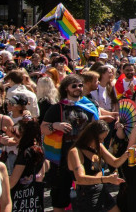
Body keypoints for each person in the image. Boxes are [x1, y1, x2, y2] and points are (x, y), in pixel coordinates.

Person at [40, 74, 97, 212]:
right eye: (74, 86)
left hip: (84, 155)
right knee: (60, 197)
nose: (78, 88)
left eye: (80, 85)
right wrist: (55, 126)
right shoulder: (57, 108)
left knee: (89, 194)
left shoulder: (89, 105)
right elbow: (43, 128)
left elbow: (95, 129)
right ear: (66, 88)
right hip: (62, 158)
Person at [67, 120, 128, 212]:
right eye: (100, 139)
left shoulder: (99, 146)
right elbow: (80, 178)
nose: (102, 141)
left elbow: (115, 162)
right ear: (91, 136)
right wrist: (106, 179)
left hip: (101, 190)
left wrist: (127, 154)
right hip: (85, 195)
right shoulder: (75, 152)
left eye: (104, 139)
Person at [9, 116, 46, 212]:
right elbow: (43, 171)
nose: (13, 138)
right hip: (34, 197)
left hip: (21, 198)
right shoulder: (39, 148)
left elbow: (13, 180)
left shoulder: (25, 153)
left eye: (16, 135)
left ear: (24, 135)